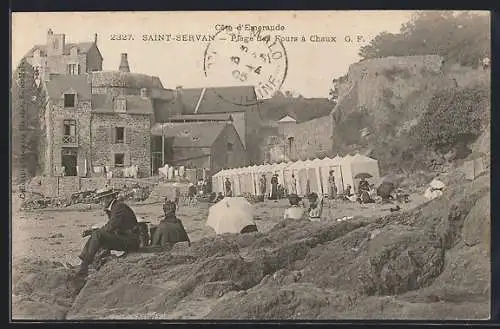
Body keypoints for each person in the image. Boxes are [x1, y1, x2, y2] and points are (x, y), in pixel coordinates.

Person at [77, 194, 141, 276]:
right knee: (96, 235)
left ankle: (85, 264)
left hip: (131, 241)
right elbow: (110, 226)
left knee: (97, 234)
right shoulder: (114, 207)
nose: (101, 202)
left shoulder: (119, 207)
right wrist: (93, 232)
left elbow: (111, 226)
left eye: (102, 199)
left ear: (110, 198)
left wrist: (96, 232)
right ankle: (85, 262)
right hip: (125, 238)